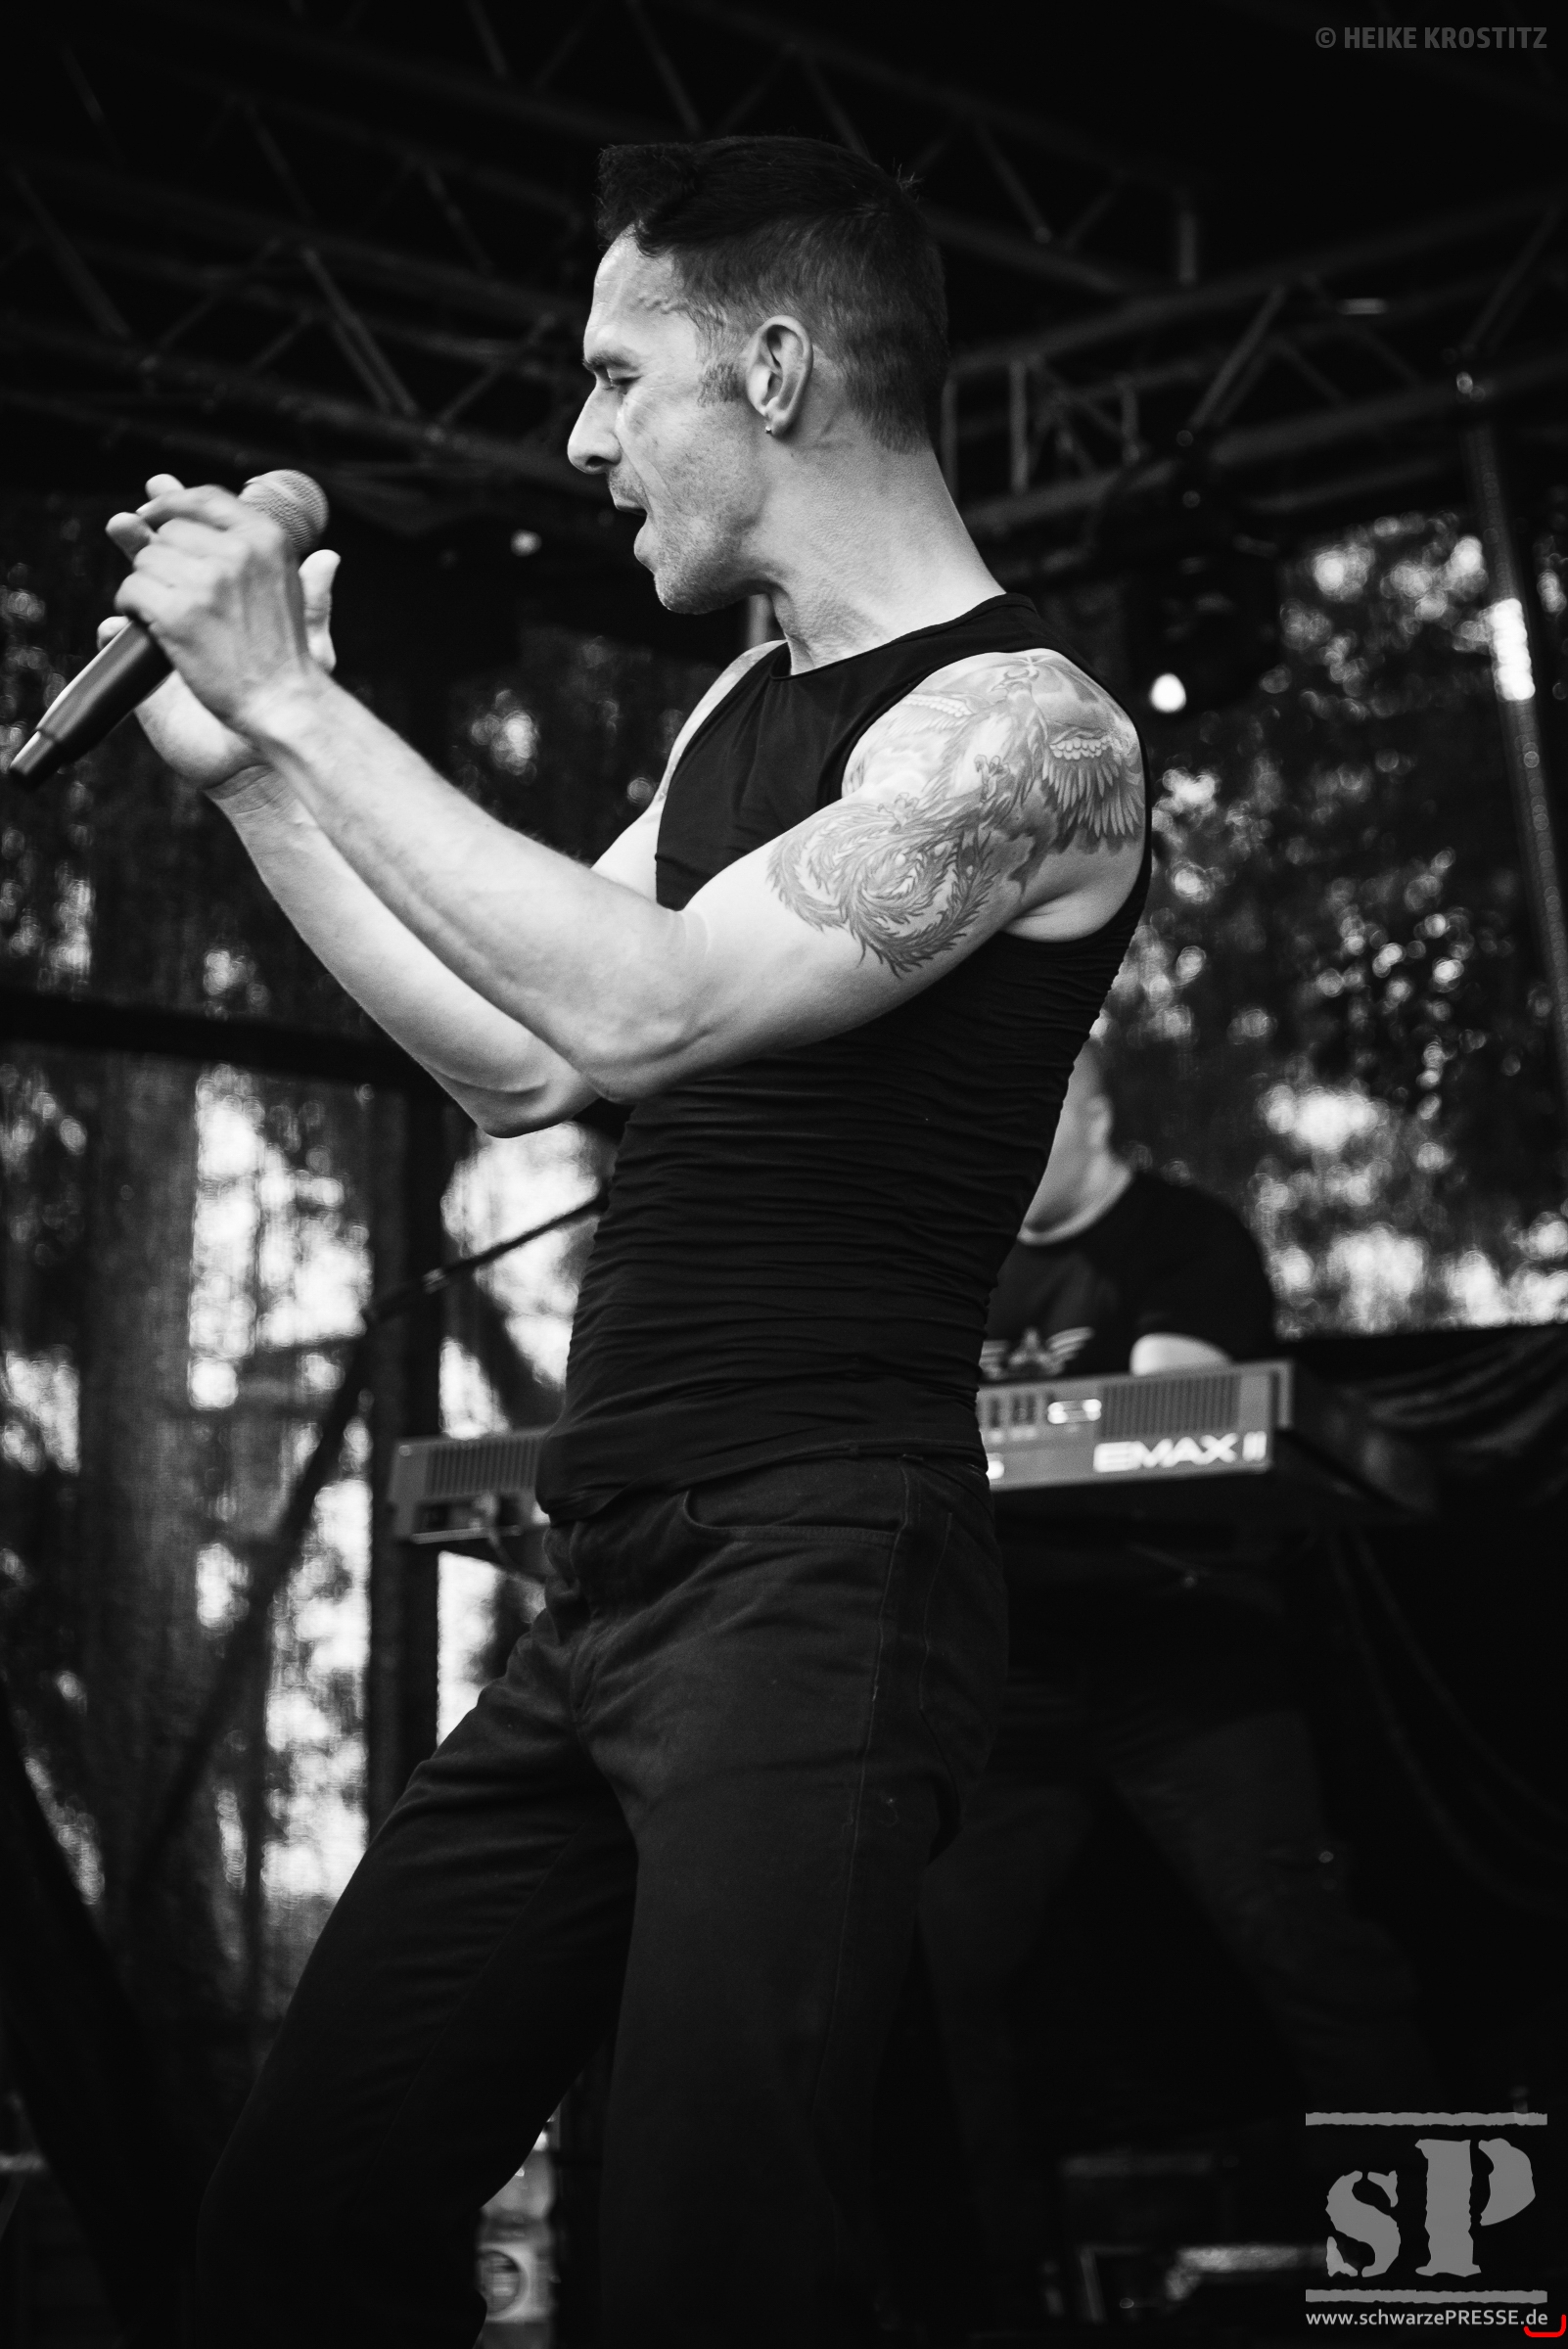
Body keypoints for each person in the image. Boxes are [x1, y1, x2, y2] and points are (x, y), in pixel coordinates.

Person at [100, 140, 1151, 2347]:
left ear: (770, 369)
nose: (580, 442)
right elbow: (518, 1056)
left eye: (611, 376)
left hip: (821, 1567)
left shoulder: (1030, 733)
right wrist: (257, 779)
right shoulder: (735, 714)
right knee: (302, 2209)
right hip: (614, 1580)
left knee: (704, 2269)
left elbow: (649, 1009)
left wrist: (304, 700)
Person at [919, 1040, 1434, 2324]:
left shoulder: (1181, 1238)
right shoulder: (955, 1267)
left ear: (1093, 1117)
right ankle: (973, 2295)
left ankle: (1441, 2276)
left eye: (1026, 1121)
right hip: (1018, 1663)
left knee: (1307, 1946)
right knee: (922, 1965)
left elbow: (1166, 1422)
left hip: (1181, 1642)